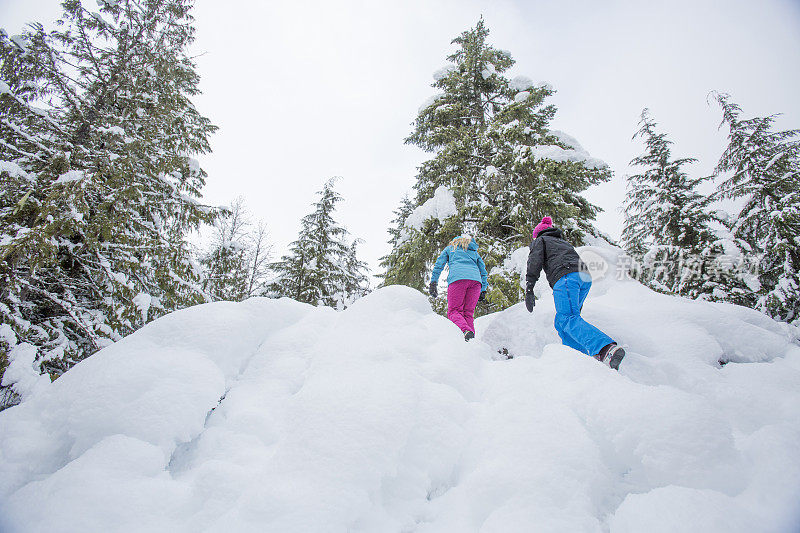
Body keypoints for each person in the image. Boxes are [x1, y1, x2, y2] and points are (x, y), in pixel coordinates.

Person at [525, 216, 625, 369]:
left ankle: (605, 349)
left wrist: (529, 287)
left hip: (566, 277)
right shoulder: (562, 242)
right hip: (583, 278)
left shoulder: (541, 240)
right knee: (561, 323)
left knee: (567, 318)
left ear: (538, 234)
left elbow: (534, 261)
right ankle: (578, 360)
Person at [429, 235, 488, 341]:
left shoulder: (451, 248)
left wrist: (433, 282)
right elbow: (483, 271)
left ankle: (465, 331)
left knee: (454, 311)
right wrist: (483, 289)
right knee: (468, 313)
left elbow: (439, 265)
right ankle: (471, 341)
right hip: (475, 282)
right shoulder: (474, 252)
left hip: (458, 279)